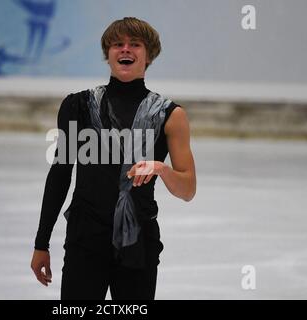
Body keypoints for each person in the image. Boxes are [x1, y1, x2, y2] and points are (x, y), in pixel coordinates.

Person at [30, 17, 196, 300]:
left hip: (139, 242)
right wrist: (41, 243)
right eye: (117, 44)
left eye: (135, 44)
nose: (125, 50)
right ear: (107, 54)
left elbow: (187, 189)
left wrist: (160, 169)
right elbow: (59, 176)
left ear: (149, 54)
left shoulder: (170, 115)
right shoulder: (78, 106)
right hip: (85, 240)